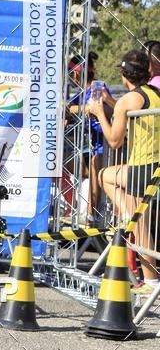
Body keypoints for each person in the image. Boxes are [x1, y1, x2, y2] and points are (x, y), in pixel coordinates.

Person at [87, 49, 160, 293]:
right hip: (153, 166)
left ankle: (150, 282)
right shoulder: (153, 93)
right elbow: (129, 108)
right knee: (106, 175)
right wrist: (111, 103)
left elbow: (115, 141)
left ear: (123, 74)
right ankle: (130, 214)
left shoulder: (130, 100)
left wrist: (100, 113)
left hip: (143, 167)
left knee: (140, 224)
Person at [67, 53, 115, 226]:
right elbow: (68, 110)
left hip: (104, 145)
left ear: (76, 73)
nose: (69, 77)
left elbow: (98, 108)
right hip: (88, 147)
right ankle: (71, 207)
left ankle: (90, 216)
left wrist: (72, 109)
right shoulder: (78, 94)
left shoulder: (97, 87)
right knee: (58, 165)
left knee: (95, 166)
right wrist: (69, 113)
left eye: (69, 72)